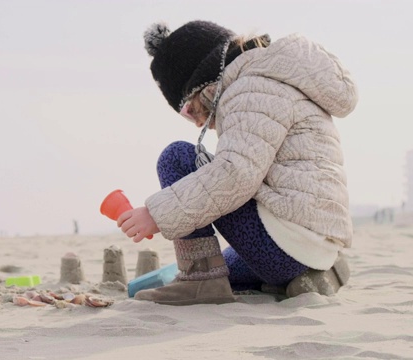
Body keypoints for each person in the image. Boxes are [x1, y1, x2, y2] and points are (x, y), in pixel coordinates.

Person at [117, 20, 357, 305]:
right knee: (229, 269)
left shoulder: (248, 91)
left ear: (203, 86)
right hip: (311, 246)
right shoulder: (274, 78)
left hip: (286, 247)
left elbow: (235, 174)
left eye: (188, 109)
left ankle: (200, 281)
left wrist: (156, 213)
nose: (196, 122)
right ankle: (315, 275)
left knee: (177, 157)